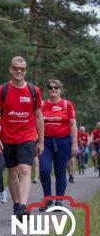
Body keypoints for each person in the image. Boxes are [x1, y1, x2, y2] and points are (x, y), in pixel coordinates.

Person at [0, 56, 44, 221]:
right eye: (16, 68)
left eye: (22, 69)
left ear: (25, 71)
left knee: (25, 170)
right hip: (7, 137)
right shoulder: (2, 90)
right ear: (11, 69)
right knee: (12, 172)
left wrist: (41, 140)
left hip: (27, 136)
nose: (19, 71)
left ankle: (23, 206)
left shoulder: (34, 91)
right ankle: (16, 204)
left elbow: (38, 116)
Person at [38, 79, 78, 211]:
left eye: (56, 88)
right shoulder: (42, 104)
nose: (53, 90)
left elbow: (73, 125)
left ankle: (59, 201)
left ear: (60, 89)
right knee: (44, 170)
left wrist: (74, 144)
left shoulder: (67, 104)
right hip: (46, 142)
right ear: (48, 90)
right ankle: (47, 200)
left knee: (60, 171)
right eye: (51, 87)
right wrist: (37, 141)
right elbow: (36, 123)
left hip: (63, 141)